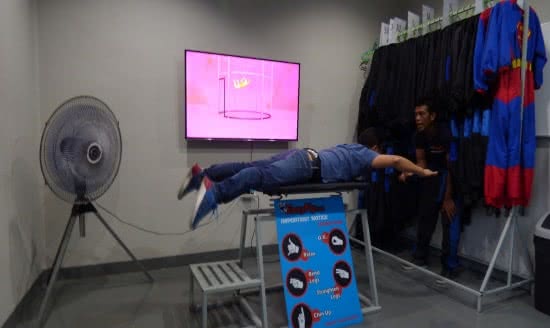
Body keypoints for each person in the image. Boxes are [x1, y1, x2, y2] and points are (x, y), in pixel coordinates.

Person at [179, 128, 438, 229]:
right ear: (375, 148)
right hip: (307, 166)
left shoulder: (349, 148)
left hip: (303, 156)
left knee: (249, 166)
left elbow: (392, 167)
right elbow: (394, 160)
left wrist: (403, 172)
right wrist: (421, 170)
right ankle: (213, 194)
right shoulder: (365, 156)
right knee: (257, 175)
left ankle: (203, 175)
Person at [400, 98, 461, 278]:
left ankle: (449, 267)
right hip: (430, 177)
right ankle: (420, 257)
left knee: (449, 219)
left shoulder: (444, 133)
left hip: (448, 178)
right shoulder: (418, 136)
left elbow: (451, 167)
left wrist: (447, 197)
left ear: (432, 116)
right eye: (415, 114)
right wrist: (410, 172)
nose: (417, 118)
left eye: (421, 114)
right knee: (425, 217)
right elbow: (421, 162)